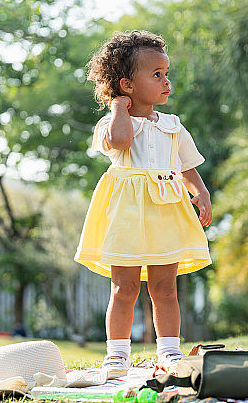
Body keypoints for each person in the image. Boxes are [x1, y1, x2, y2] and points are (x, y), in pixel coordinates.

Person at [75, 30, 213, 377]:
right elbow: (120, 142)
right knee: (125, 287)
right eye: (156, 75)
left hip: (166, 210)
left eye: (166, 74)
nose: (166, 82)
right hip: (127, 214)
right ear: (127, 84)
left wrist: (201, 192)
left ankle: (168, 352)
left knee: (165, 287)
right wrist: (118, 106)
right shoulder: (112, 122)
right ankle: (117, 355)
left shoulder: (173, 125)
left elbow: (186, 165)